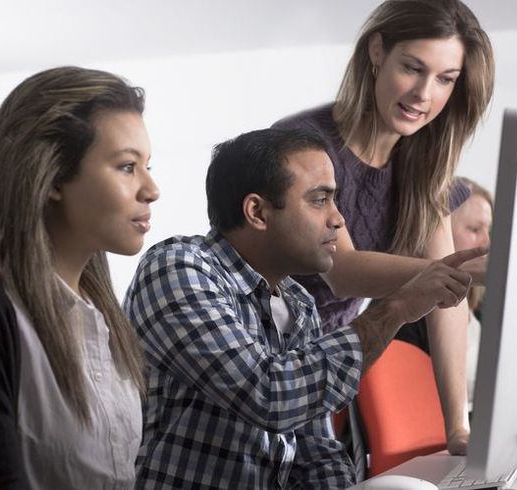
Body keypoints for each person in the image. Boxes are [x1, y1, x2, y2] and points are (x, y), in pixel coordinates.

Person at [125, 127, 482, 488]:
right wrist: (397, 307)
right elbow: (268, 393)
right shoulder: (178, 267)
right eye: (319, 200)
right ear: (257, 212)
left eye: (335, 199)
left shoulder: (298, 304)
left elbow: (317, 451)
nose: (338, 219)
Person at [0, 66, 160, 488]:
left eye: (148, 165)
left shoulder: (106, 322)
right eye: (127, 167)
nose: (151, 189)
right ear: (54, 177)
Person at [272, 0, 494, 454]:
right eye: (413, 68)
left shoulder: (425, 166)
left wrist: (458, 428)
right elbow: (342, 269)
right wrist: (449, 274)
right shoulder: (304, 144)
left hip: (325, 369)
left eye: (446, 79)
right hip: (261, 361)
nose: (423, 94)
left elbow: (445, 301)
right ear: (377, 51)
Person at [450, 177, 493, 411]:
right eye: (475, 230)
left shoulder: (481, 304)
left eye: (489, 230)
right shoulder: (411, 311)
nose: (488, 242)